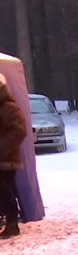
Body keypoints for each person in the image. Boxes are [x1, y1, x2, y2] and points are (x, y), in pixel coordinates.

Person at [0, 73, 26, 239]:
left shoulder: (9, 107)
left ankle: (12, 224)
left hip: (6, 159)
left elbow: (19, 131)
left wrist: (1, 148)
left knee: (5, 191)